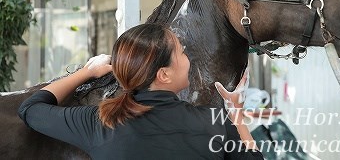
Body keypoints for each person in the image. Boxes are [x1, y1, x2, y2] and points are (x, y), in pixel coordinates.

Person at [18, 23, 263, 159]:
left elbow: (30, 109)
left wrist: (86, 72)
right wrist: (236, 114)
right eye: (181, 52)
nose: (188, 58)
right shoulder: (214, 123)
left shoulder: (99, 122)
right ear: (163, 74)